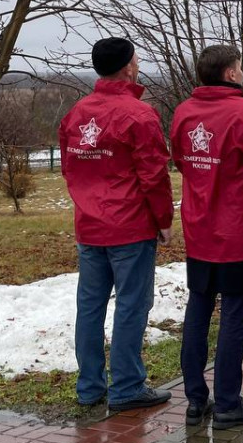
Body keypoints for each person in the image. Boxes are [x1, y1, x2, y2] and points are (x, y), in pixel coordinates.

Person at [59, 37, 174, 412]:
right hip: (130, 227)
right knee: (131, 306)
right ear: (127, 66)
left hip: (90, 227)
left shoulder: (77, 113)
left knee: (90, 308)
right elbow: (154, 175)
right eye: (136, 59)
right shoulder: (139, 115)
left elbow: (69, 167)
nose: (138, 63)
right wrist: (163, 220)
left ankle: (89, 387)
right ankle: (127, 387)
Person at [169, 45, 243, 430]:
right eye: (240, 68)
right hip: (238, 231)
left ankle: (195, 400)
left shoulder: (183, 112)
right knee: (235, 315)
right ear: (231, 73)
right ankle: (228, 402)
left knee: (198, 309)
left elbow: (181, 161)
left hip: (199, 227)